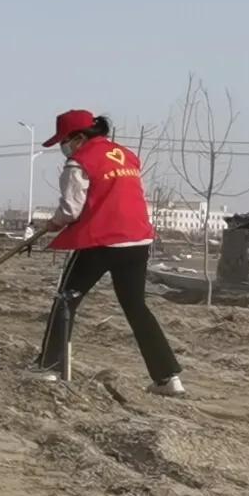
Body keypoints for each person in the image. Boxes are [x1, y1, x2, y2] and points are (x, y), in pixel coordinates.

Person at [32, 110, 183, 396]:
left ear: (78, 138)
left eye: (64, 141)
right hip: (137, 241)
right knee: (136, 307)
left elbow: (70, 210)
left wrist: (54, 223)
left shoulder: (79, 162)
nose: (63, 149)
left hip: (100, 241)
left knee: (66, 300)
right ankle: (167, 378)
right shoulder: (126, 156)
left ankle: (49, 368)